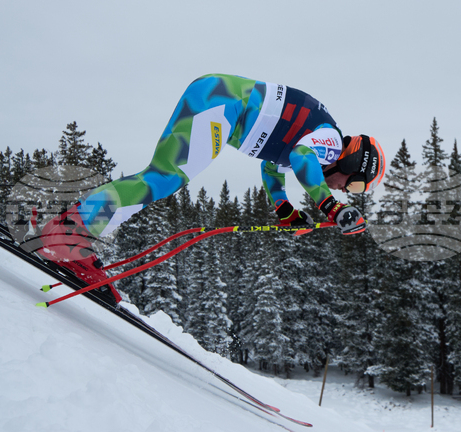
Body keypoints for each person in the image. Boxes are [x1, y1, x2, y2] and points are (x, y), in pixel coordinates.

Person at [34, 74, 386, 302]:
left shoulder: (320, 138)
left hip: (215, 98)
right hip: (222, 105)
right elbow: (301, 157)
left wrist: (285, 210)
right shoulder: (332, 141)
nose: (346, 190)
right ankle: (69, 235)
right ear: (354, 162)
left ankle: (73, 231)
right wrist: (332, 208)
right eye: (356, 184)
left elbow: (273, 166)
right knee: (163, 178)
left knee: (159, 177)